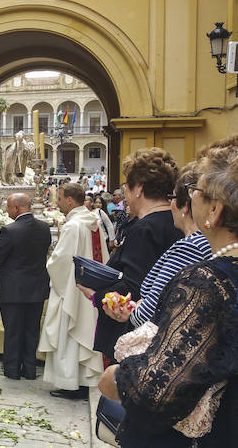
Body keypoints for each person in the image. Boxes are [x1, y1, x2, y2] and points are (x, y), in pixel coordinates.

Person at [99, 141, 238, 446]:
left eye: (196, 192)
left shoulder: (208, 282)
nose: (186, 200)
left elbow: (155, 389)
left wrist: (115, 377)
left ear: (214, 211)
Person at [77, 148, 183, 363]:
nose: (125, 193)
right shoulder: (176, 222)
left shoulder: (145, 229)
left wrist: (95, 294)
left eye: (127, 187)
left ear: (139, 189)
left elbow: (134, 286)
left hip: (137, 332)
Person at [102, 162, 211, 329]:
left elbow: (150, 310)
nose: (170, 204)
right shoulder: (204, 241)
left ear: (186, 206)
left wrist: (132, 309)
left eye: (173, 198)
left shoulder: (190, 247)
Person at [38, 183, 108, 399]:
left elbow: (60, 261)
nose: (57, 203)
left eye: (59, 198)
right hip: (90, 287)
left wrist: (49, 267)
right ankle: (84, 382)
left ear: (69, 200)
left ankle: (72, 384)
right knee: (84, 331)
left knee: (69, 332)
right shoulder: (92, 222)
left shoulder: (73, 226)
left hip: (71, 289)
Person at [0, 193, 51, 381]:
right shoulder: (44, 228)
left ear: (16, 208)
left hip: (13, 290)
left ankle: (13, 370)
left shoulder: (10, 230)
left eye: (8, 207)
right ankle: (30, 369)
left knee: (13, 331)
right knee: (32, 330)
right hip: (37, 287)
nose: (7, 211)